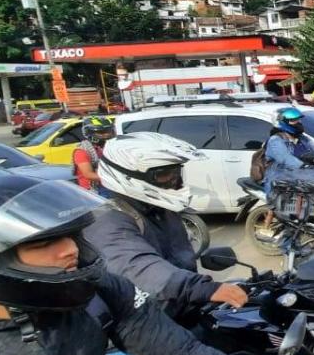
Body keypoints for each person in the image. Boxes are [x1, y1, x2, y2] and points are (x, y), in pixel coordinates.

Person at [0, 175, 303, 355]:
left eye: (70, 236)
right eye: (43, 244)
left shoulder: (101, 291)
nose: (70, 249)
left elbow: (176, 354)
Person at [85, 132, 248, 321]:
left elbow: (179, 258)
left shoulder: (161, 210)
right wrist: (202, 287)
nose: (175, 181)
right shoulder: (109, 221)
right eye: (164, 174)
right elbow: (141, 269)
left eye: (176, 173)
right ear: (127, 176)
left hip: (182, 307)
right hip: (146, 321)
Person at [261, 107, 314, 229]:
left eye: (298, 120)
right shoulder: (276, 140)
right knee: (290, 216)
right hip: (279, 180)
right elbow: (286, 159)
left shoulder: (301, 138)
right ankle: (285, 237)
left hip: (299, 177)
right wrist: (305, 167)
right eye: (293, 120)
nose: (298, 123)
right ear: (282, 122)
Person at [72, 115, 116, 196]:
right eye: (101, 132)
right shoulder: (82, 151)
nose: (106, 134)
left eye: (108, 131)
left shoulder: (109, 147)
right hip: (94, 190)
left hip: (110, 185)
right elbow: (88, 174)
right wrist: (115, 178)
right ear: (89, 133)